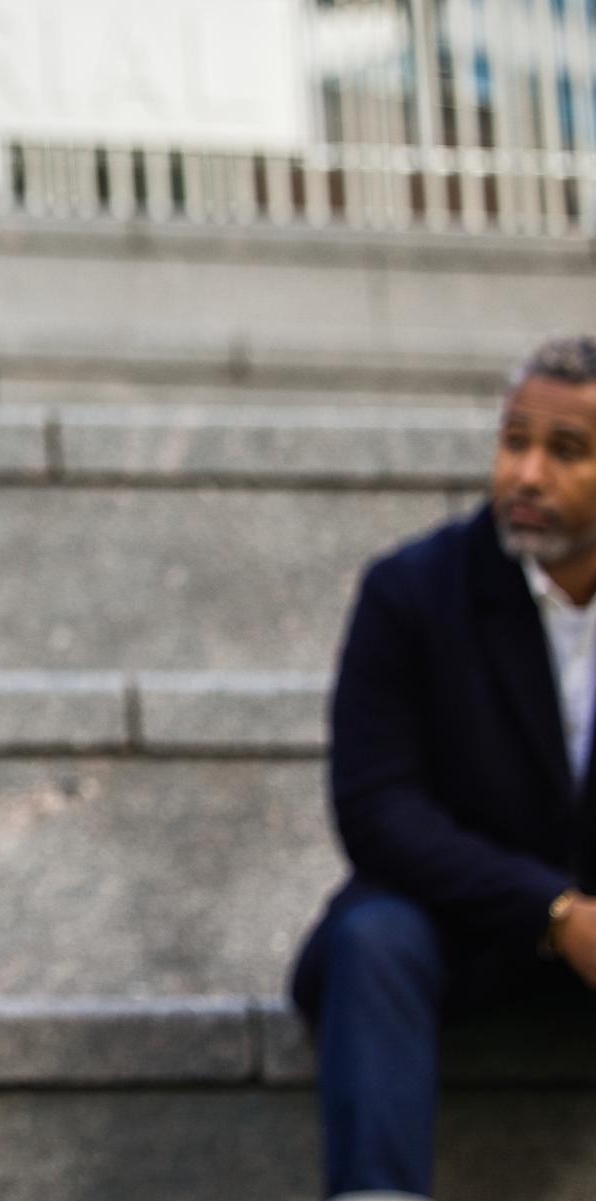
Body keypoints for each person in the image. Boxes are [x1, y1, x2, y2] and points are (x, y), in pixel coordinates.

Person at [290, 334, 596, 1201]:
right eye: (514, 441)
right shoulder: (413, 590)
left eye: (565, 451)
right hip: (465, 925)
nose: (527, 474)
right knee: (374, 936)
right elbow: (377, 808)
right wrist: (556, 911)